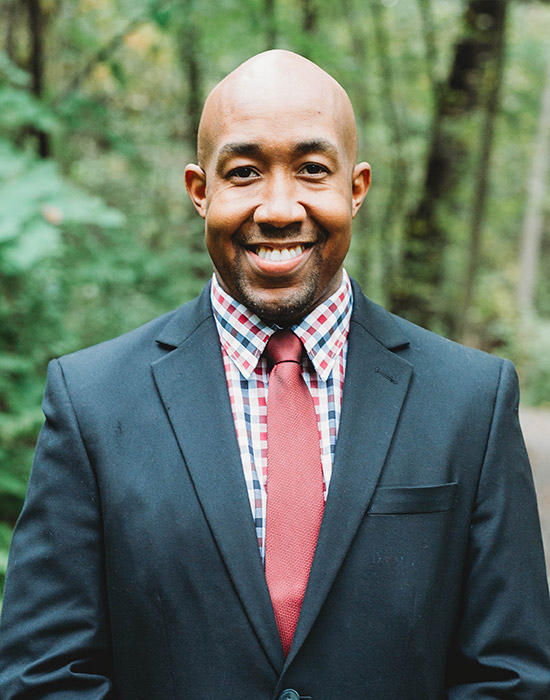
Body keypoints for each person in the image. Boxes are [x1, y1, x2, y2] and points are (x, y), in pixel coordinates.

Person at [0, 50, 549, 700]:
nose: (280, 207)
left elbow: (510, 678)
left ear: (357, 186)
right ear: (200, 191)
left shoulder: (472, 401)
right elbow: (44, 678)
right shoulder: (90, 402)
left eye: (313, 170)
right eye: (245, 171)